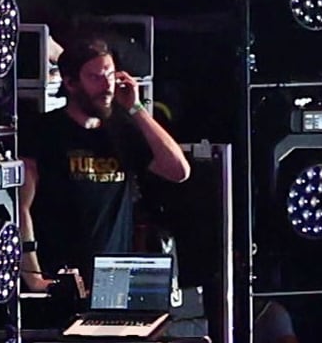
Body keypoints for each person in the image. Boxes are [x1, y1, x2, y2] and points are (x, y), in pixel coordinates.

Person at [18, 26, 192, 296]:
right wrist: (34, 277)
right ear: (71, 82)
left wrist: (136, 109)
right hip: (60, 280)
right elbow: (21, 208)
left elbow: (178, 170)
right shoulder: (44, 131)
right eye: (95, 78)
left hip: (112, 281)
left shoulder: (121, 130)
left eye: (110, 75)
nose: (107, 86)